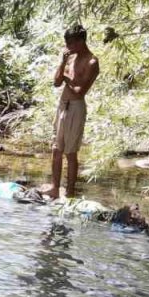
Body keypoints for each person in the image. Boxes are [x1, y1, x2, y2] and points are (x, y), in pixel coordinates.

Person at [47, 24, 100, 200]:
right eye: (67, 43)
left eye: (71, 43)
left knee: (70, 152)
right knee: (56, 149)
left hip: (76, 107)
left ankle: (69, 193)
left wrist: (66, 78)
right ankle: (54, 188)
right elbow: (56, 82)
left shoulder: (92, 62)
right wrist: (62, 63)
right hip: (62, 104)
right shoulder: (69, 58)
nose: (68, 46)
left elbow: (80, 90)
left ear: (81, 41)